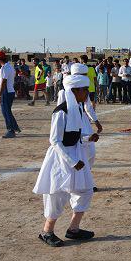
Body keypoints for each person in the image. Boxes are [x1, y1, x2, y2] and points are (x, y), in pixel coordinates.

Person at [33, 74, 98, 247]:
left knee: (85, 190)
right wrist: (72, 161)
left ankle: (73, 229)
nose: (87, 94)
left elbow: (75, 136)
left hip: (76, 153)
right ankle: (47, 232)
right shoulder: (60, 112)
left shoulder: (76, 108)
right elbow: (55, 141)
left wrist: (87, 138)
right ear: (74, 91)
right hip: (61, 158)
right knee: (57, 194)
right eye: (85, 90)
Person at [57, 63, 104, 191]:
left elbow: (88, 107)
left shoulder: (84, 89)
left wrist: (96, 121)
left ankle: (87, 178)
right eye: (82, 76)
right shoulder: (64, 91)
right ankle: (79, 181)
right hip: (71, 123)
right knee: (78, 151)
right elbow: (61, 109)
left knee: (91, 153)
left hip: (83, 121)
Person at [0, 51, 20, 138]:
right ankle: (15, 127)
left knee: (5, 112)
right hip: (9, 91)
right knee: (7, 111)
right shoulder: (9, 66)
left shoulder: (4, 68)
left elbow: (4, 81)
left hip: (6, 92)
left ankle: (11, 130)